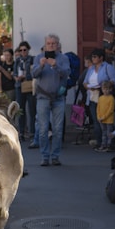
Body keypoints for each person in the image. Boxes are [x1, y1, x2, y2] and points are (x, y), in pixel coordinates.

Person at [32, 34, 70, 166]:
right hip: (43, 97)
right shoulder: (38, 57)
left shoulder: (63, 58)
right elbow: (33, 74)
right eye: (49, 43)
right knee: (43, 129)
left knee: (57, 129)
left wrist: (55, 66)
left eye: (54, 43)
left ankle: (55, 156)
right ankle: (44, 156)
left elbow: (66, 73)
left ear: (58, 45)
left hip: (58, 98)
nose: (51, 45)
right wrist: (41, 66)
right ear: (45, 45)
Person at [83, 48, 115, 149]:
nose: (93, 59)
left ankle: (109, 143)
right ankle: (100, 142)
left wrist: (103, 86)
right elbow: (85, 82)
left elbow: (114, 80)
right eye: (92, 57)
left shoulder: (108, 67)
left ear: (101, 58)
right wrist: (88, 86)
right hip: (92, 95)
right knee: (96, 119)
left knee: (106, 120)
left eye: (95, 57)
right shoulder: (90, 69)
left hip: (103, 94)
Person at [15, 41, 37, 146]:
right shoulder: (17, 61)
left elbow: (34, 73)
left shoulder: (32, 59)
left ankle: (32, 132)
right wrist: (17, 77)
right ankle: (21, 132)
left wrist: (26, 76)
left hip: (29, 86)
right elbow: (14, 73)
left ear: (28, 50)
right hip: (20, 87)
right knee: (21, 110)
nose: (23, 52)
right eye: (21, 50)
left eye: (25, 50)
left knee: (32, 110)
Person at [94, 81, 115, 152]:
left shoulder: (111, 98)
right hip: (101, 119)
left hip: (108, 119)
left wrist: (104, 117)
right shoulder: (100, 98)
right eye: (104, 89)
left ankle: (109, 145)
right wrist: (98, 116)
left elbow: (111, 110)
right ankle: (103, 144)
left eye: (108, 89)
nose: (106, 91)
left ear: (111, 89)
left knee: (109, 132)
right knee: (104, 132)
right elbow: (98, 108)